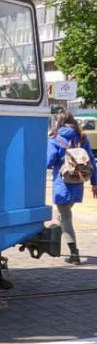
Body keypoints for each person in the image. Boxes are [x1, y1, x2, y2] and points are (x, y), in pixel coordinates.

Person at [47, 109, 97, 264]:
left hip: (62, 184)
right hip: (78, 183)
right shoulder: (82, 138)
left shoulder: (55, 138)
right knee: (60, 216)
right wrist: (95, 183)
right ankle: (48, 243)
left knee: (65, 218)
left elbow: (48, 162)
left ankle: (74, 253)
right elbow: (92, 163)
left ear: (59, 122)